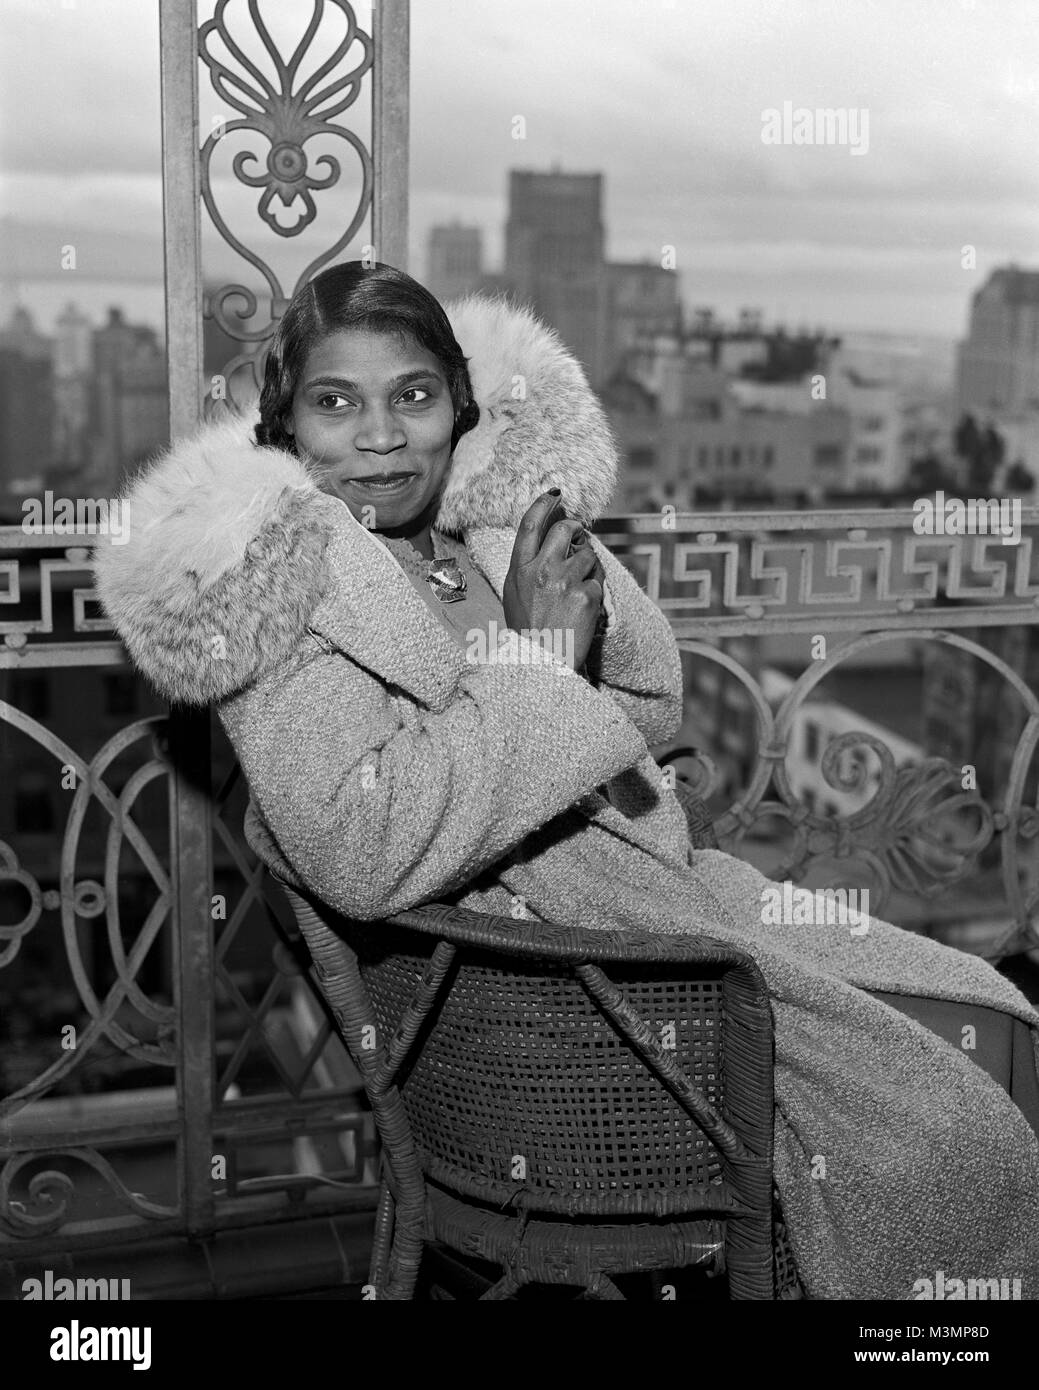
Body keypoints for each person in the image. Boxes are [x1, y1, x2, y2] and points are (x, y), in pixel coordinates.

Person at [94, 261, 1039, 1299]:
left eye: (412, 396)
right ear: (285, 430)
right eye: (335, 403)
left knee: (990, 1015)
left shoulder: (471, 534)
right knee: (956, 1137)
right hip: (566, 1012)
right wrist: (539, 656)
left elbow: (645, 705)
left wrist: (543, 573)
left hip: (660, 910)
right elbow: (361, 850)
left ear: (459, 404)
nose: (379, 437)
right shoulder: (281, 600)